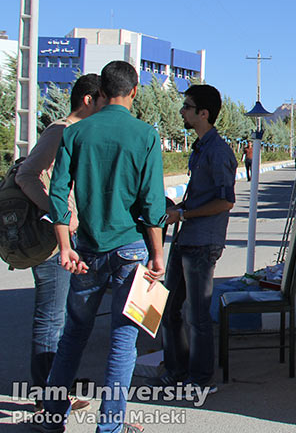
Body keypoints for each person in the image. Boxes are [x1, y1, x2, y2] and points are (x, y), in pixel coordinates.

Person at [40, 61, 167, 433]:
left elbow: (58, 193)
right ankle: (109, 427)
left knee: (73, 336)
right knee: (122, 342)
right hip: (130, 250)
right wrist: (157, 254)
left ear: (101, 91)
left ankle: (50, 419)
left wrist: (65, 246)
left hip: (87, 250)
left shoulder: (76, 133)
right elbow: (152, 203)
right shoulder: (145, 135)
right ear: (135, 90)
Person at [16, 75, 104, 413]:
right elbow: (27, 175)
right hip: (53, 242)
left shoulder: (78, 133)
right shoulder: (60, 131)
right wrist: (58, 213)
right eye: (102, 101)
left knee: (64, 319)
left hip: (71, 239)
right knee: (50, 318)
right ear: (88, 100)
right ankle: (45, 397)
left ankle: (56, 390)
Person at [152, 84, 236, 392]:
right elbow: (201, 197)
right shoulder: (200, 148)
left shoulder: (218, 152)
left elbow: (226, 201)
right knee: (170, 307)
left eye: (187, 107)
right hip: (186, 237)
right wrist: (178, 208)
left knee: (197, 316)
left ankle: (201, 380)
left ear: (203, 113)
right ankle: (177, 370)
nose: (182, 112)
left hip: (202, 242)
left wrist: (184, 214)